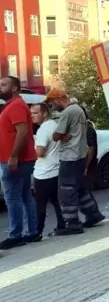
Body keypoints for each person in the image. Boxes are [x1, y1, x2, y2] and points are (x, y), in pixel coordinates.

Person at [45, 89, 104, 235]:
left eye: (52, 103)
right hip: (80, 154)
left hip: (70, 157)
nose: (52, 107)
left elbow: (56, 135)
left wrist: (58, 135)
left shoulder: (67, 112)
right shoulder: (78, 110)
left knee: (65, 192)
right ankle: (93, 214)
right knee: (79, 188)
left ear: (58, 99)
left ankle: (72, 223)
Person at [0, 76, 39, 249]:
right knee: (24, 196)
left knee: (12, 198)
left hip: (14, 160)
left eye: (3, 84)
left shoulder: (16, 106)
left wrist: (14, 156)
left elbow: (22, 132)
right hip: (19, 159)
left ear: (14, 88)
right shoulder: (14, 105)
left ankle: (16, 235)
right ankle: (31, 233)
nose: (0, 87)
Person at [31, 103, 66, 236]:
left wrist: (30, 150)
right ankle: (61, 225)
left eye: (35, 113)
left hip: (44, 173)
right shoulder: (55, 126)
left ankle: (37, 232)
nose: (32, 116)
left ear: (44, 113)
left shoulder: (43, 130)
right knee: (57, 202)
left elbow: (40, 152)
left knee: (40, 204)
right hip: (57, 170)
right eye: (31, 114)